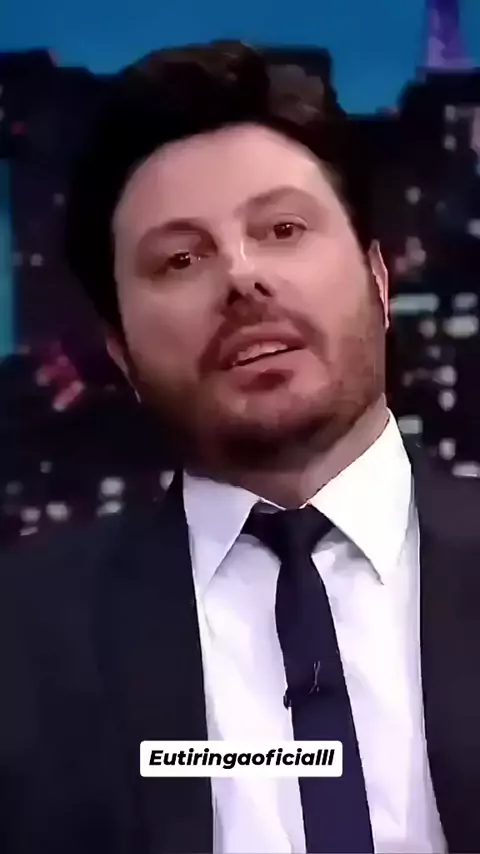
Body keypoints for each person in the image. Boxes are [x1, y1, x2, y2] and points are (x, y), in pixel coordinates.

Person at [0, 39, 479, 854]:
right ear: (121, 353)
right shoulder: (20, 638)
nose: (241, 278)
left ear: (378, 280)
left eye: (283, 228)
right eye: (180, 259)